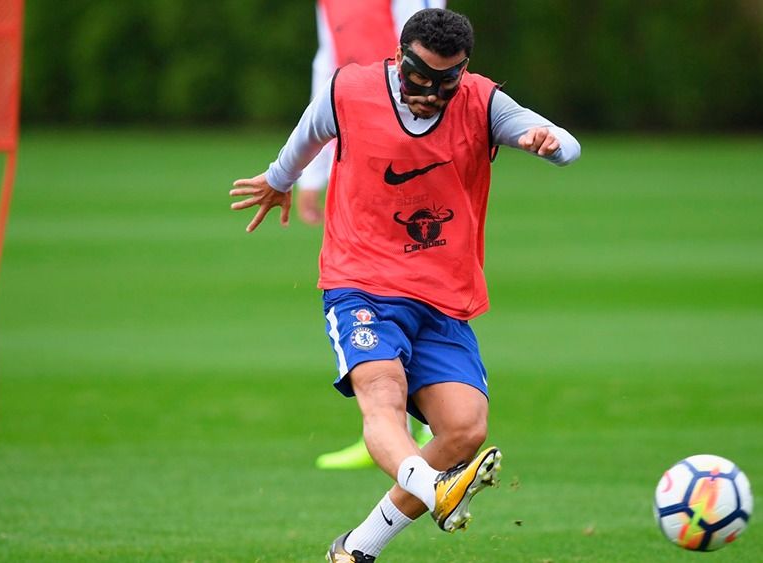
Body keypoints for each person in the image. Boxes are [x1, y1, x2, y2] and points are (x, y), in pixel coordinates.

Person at [230, 8, 580, 561]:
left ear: (463, 70)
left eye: (446, 80)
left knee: (465, 429)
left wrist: (549, 142)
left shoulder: (482, 102)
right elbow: (310, 132)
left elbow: (567, 145)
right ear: (399, 58)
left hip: (442, 295)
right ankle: (433, 488)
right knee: (382, 396)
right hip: (361, 282)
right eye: (420, 77)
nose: (431, 92)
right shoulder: (349, 90)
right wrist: (278, 179)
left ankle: (356, 548)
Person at [305, 0, 445, 471]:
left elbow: (430, 54)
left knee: (421, 267)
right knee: (368, 279)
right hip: (358, 147)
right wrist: (312, 171)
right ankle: (390, 427)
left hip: (411, 149)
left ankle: (435, 426)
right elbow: (328, 63)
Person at [297, 0, 447, 226]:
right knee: (353, 238)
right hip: (349, 138)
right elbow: (327, 68)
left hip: (403, 139)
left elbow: (427, 56)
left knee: (410, 235)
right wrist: (311, 175)